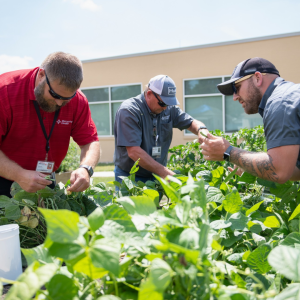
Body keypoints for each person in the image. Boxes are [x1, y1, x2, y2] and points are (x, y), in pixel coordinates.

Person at [0, 52, 100, 197]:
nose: (60, 103)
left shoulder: (78, 100)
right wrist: (19, 174)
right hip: (4, 177)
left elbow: (90, 141)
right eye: (55, 95)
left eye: (67, 99)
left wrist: (86, 168)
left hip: (45, 178)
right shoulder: (5, 91)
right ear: (41, 75)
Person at [201, 57, 300, 184]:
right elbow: (290, 169)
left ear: (258, 78)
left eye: (236, 87)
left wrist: (228, 152)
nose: (235, 97)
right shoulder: (288, 95)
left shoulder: (279, 102)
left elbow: (279, 171)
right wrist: (249, 165)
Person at [113, 74, 209, 184]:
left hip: (156, 173)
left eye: (169, 103)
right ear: (149, 94)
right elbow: (134, 152)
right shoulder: (129, 111)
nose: (165, 108)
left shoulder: (168, 109)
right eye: (163, 103)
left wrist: (202, 130)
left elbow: (191, 122)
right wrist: (165, 173)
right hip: (131, 177)